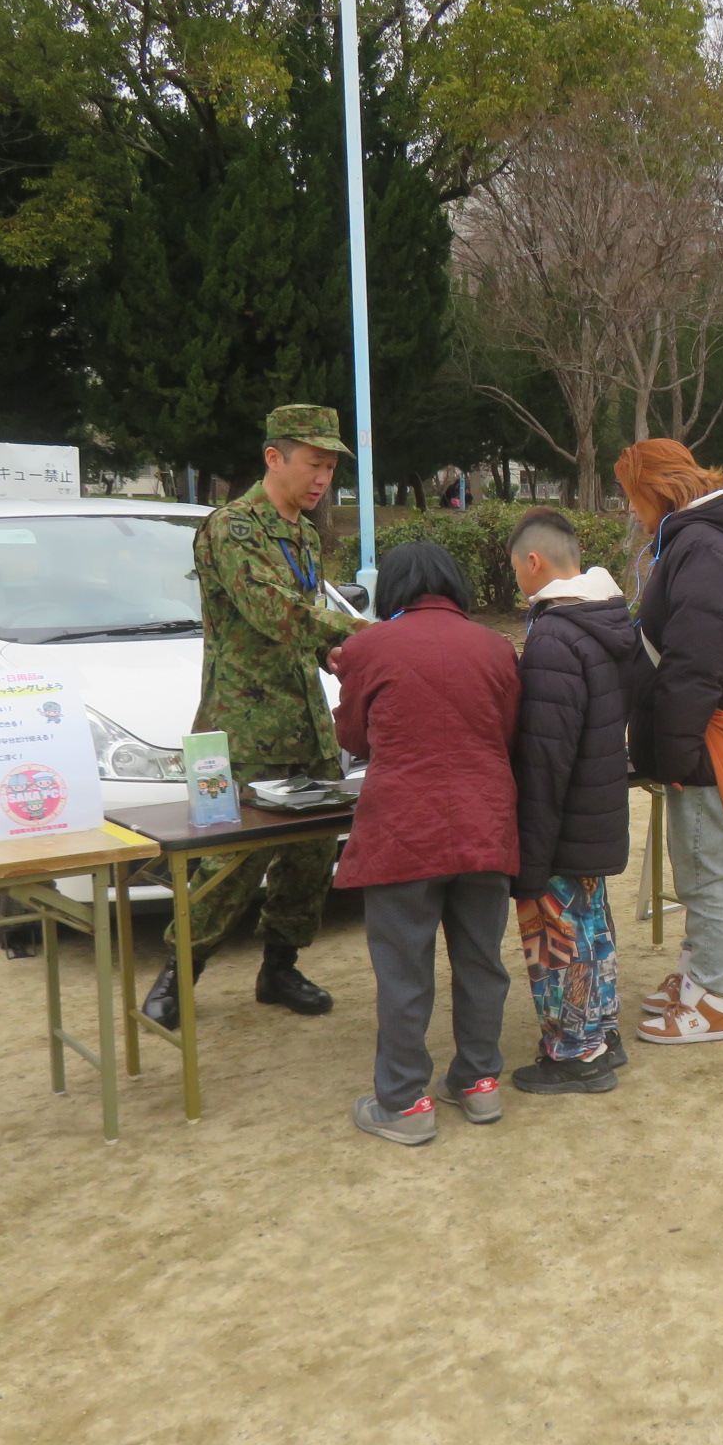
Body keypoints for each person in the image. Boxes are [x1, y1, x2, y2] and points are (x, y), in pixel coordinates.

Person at [143, 404, 369, 1031]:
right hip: (242, 725)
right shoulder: (233, 529)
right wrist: (368, 636)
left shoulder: (300, 532)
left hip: (303, 718)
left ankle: (280, 966)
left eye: (330, 467)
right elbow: (277, 612)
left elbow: (306, 631)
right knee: (230, 861)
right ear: (275, 458)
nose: (323, 479)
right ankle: (177, 975)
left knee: (311, 852)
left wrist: (350, 660)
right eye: (314, 464)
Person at [334, 541, 522, 1145]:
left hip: (402, 831)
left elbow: (356, 739)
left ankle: (404, 1101)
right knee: (481, 962)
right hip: (485, 824)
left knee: (403, 969)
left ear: (391, 590)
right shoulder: (495, 647)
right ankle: (478, 1082)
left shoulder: (366, 648)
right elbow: (508, 729)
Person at [617, 438, 723, 1046]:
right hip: (698, 743)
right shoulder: (698, 540)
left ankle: (714, 1000)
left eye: (632, 498)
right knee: (700, 872)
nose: (631, 511)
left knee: (707, 877)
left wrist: (675, 752)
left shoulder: (700, 549)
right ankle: (696, 978)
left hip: (704, 748)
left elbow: (694, 668)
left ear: (655, 491)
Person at [505, 508, 637, 1094]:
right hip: (595, 812)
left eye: (515, 570)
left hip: (561, 823)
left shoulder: (555, 636)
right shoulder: (604, 619)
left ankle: (574, 1054)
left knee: (558, 941)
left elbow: (544, 756)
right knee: (593, 933)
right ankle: (602, 1035)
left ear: (533, 562)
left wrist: (531, 847)